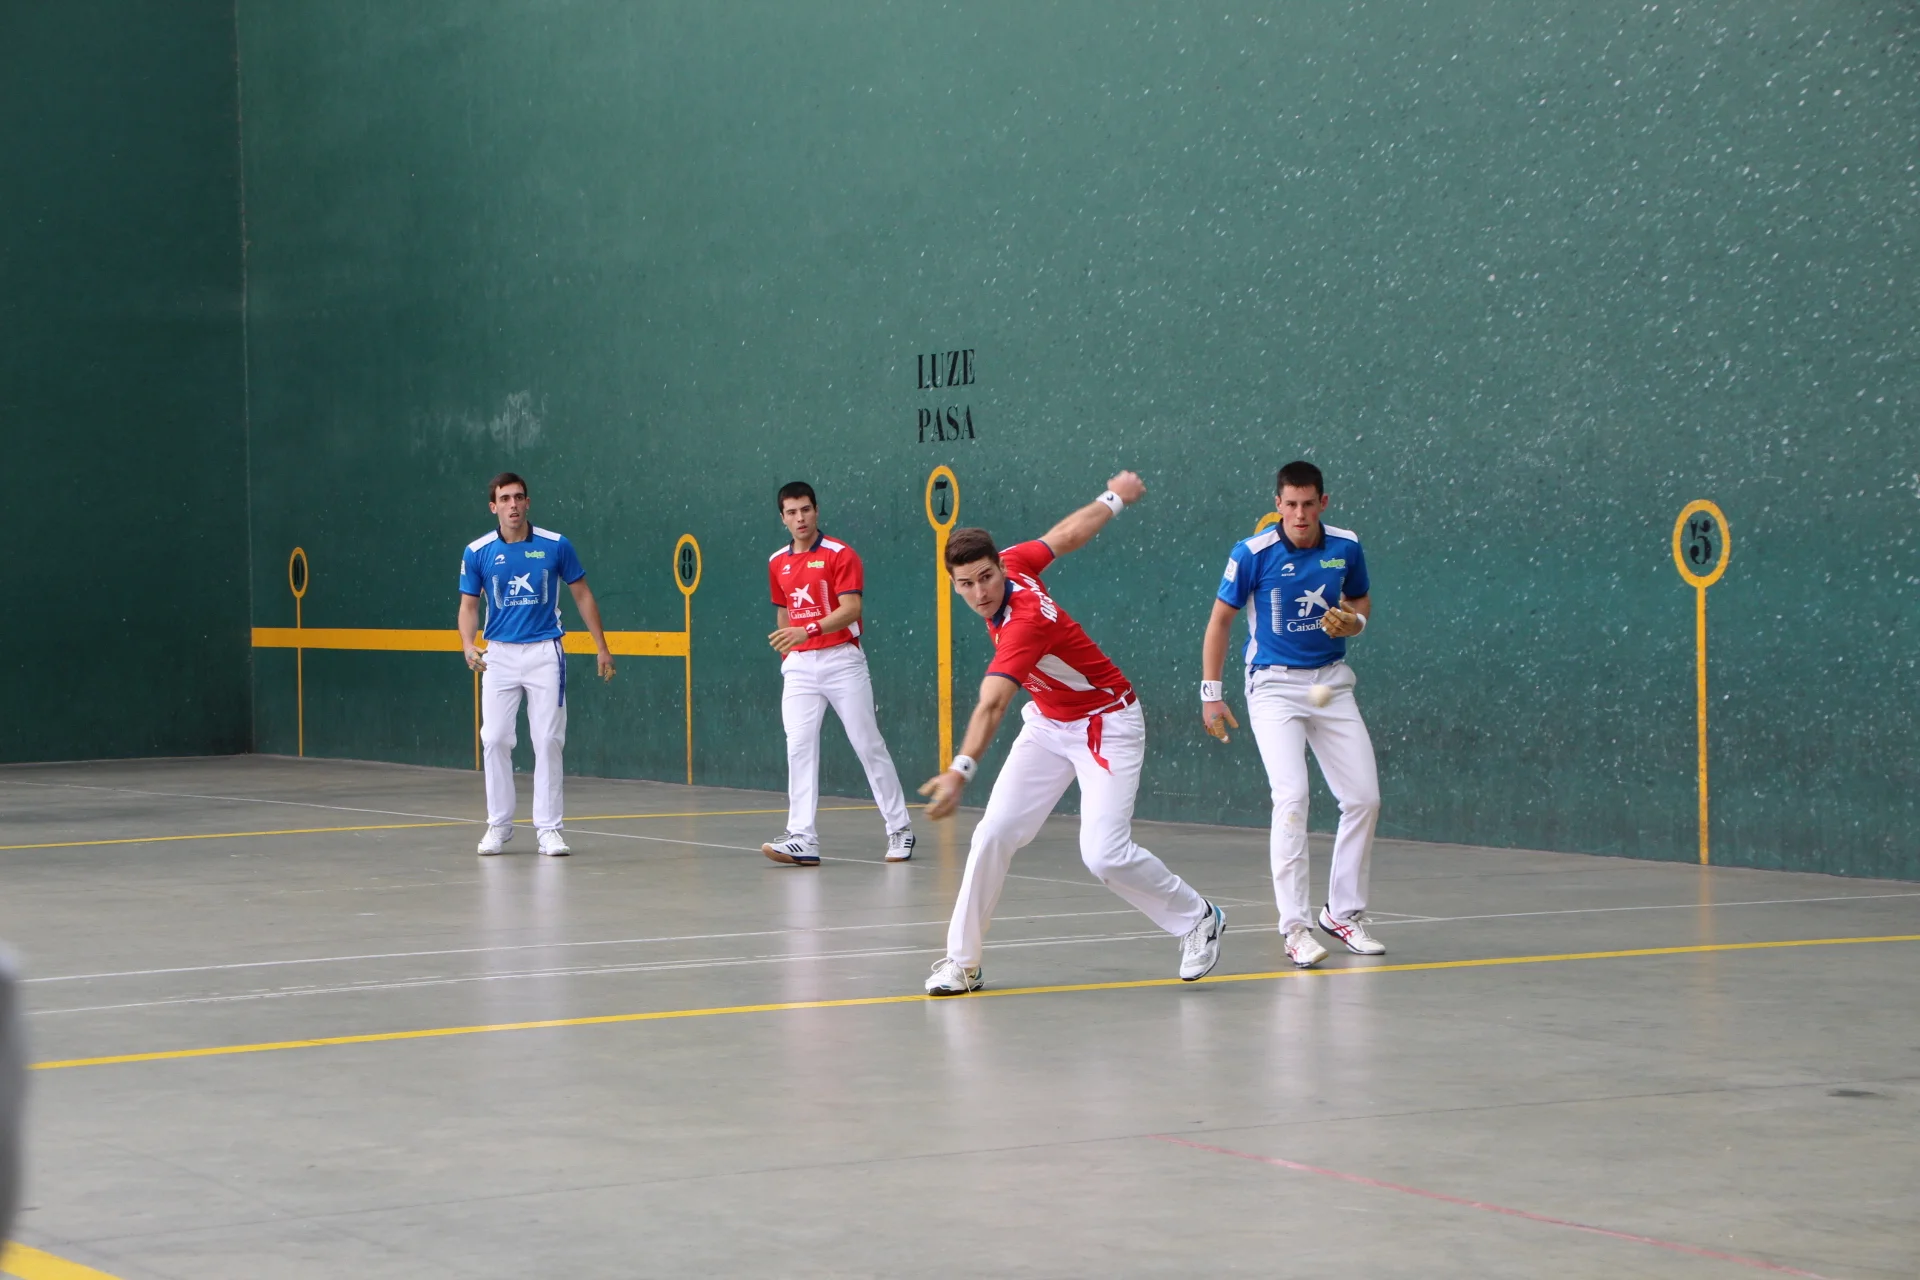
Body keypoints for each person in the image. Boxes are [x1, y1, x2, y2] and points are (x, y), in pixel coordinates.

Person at [918, 471, 1225, 995]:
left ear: (999, 568)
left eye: (986, 578)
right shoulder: (1015, 561)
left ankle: (1198, 917)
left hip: (1106, 722)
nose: (979, 592)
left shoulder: (1024, 623)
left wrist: (960, 769)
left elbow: (993, 703)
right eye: (966, 584)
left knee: (1103, 853)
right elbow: (1065, 535)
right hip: (1049, 722)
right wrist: (1114, 498)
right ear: (953, 583)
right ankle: (963, 963)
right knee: (993, 833)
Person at [1199, 459, 1384, 967]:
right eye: (1291, 505)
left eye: (1308, 504)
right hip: (1273, 687)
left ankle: (1342, 914)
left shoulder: (1346, 546)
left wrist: (1355, 624)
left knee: (1364, 798)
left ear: (1323, 503)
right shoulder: (1252, 553)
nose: (1300, 514)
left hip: (1331, 685)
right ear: (1277, 505)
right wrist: (1211, 693)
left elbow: (1360, 601)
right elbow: (1220, 621)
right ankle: (1295, 928)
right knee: (1293, 798)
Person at [458, 472, 614, 857]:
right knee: (494, 738)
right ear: (493, 507)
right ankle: (499, 824)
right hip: (499, 655)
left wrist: (602, 646)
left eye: (519, 497)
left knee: (547, 740)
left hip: (545, 652)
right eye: (505, 499)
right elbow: (469, 606)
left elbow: (582, 595)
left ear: (527, 503)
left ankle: (549, 829)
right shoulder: (477, 551)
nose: (513, 505)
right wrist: (467, 644)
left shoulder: (555, 545)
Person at [761, 482, 915, 865]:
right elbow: (784, 611)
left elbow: (851, 609)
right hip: (800, 666)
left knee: (867, 742)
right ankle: (802, 837)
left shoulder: (840, 554)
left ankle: (900, 828)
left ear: (816, 511)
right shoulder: (777, 561)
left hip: (841, 660)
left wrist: (809, 630)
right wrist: (790, 653)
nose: (800, 518)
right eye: (792, 512)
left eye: (806, 509)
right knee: (798, 746)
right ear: (782, 518)